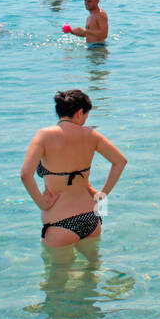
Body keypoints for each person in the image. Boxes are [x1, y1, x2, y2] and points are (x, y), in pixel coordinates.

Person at [20, 89, 127, 247]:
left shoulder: (44, 135)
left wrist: (42, 203)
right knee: (92, 271)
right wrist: (102, 195)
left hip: (60, 223)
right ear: (79, 113)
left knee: (57, 272)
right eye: (86, 115)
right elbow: (120, 162)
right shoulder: (91, 134)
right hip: (91, 218)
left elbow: (25, 174)